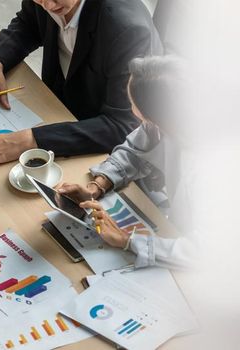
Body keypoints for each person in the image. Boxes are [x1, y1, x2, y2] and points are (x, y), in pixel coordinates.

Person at [0, 0, 162, 167]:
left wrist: (29, 141)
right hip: (56, 109)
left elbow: (123, 125)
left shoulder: (128, 30)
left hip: (96, 139)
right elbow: (28, 23)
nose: (48, 5)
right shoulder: (48, 1)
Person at [55, 55, 196, 269]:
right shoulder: (170, 122)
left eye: (134, 105)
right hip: (173, 226)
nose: (131, 110)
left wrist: (127, 240)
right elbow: (133, 151)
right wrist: (96, 187)